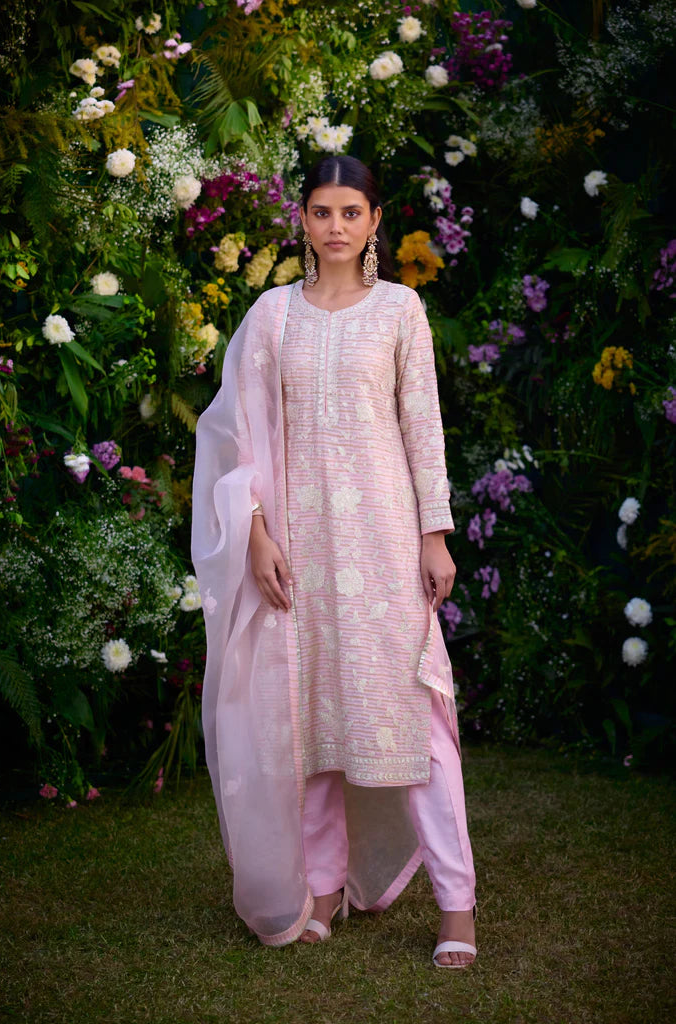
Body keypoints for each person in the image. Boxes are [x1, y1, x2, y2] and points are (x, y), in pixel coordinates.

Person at [191, 155, 477, 968]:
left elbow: (422, 425)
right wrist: (255, 535)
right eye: (322, 211)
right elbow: (235, 436)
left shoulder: (400, 310)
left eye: (351, 212)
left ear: (375, 220)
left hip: (384, 541)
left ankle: (456, 905)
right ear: (303, 220)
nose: (336, 226)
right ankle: (319, 891)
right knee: (308, 720)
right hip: (299, 547)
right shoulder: (272, 315)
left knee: (415, 722)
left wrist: (433, 533)